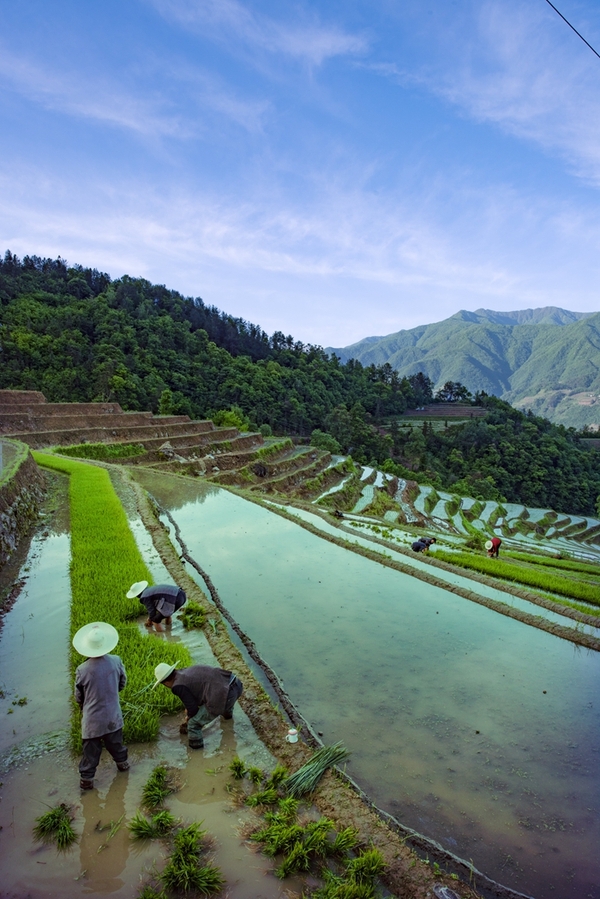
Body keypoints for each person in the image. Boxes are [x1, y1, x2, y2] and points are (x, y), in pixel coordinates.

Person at [73, 621, 129, 790]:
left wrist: (82, 705)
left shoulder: (82, 670)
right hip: (112, 715)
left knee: (91, 753)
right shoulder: (116, 661)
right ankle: (123, 766)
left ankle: (87, 781)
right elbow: (122, 683)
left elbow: (78, 696)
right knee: (116, 744)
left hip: (92, 720)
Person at [153, 662, 243, 749]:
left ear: (165, 683)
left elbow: (193, 709)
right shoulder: (185, 672)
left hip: (225, 695)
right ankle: (228, 722)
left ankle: (196, 750)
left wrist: (188, 718)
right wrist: (189, 709)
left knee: (193, 724)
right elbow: (197, 691)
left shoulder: (177, 686)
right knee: (222, 705)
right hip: (235, 684)